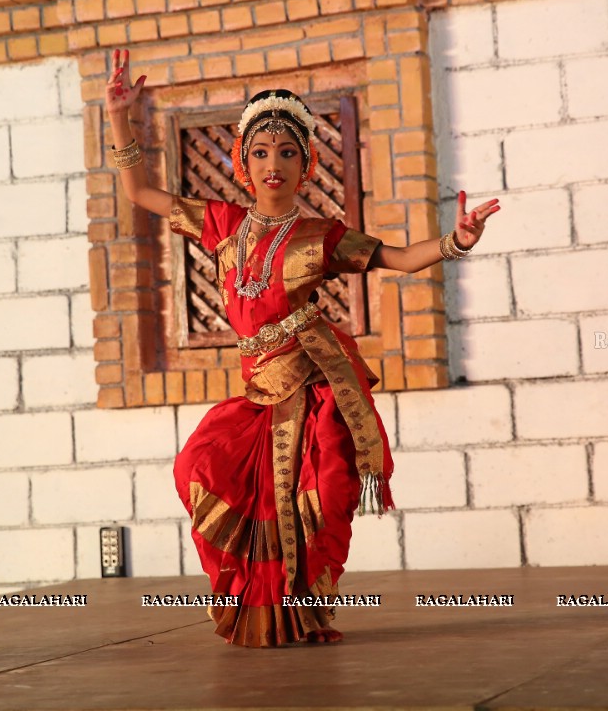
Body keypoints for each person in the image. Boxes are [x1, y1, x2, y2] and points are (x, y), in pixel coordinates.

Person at [104, 48, 500, 647]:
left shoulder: (322, 236)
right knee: (201, 468)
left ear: (306, 164)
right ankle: (260, 613)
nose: (273, 164)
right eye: (261, 153)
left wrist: (456, 241)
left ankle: (305, 614)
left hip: (312, 389)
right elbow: (140, 193)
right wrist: (119, 118)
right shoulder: (219, 223)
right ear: (242, 163)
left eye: (287, 152)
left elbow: (395, 259)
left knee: (325, 493)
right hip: (258, 394)